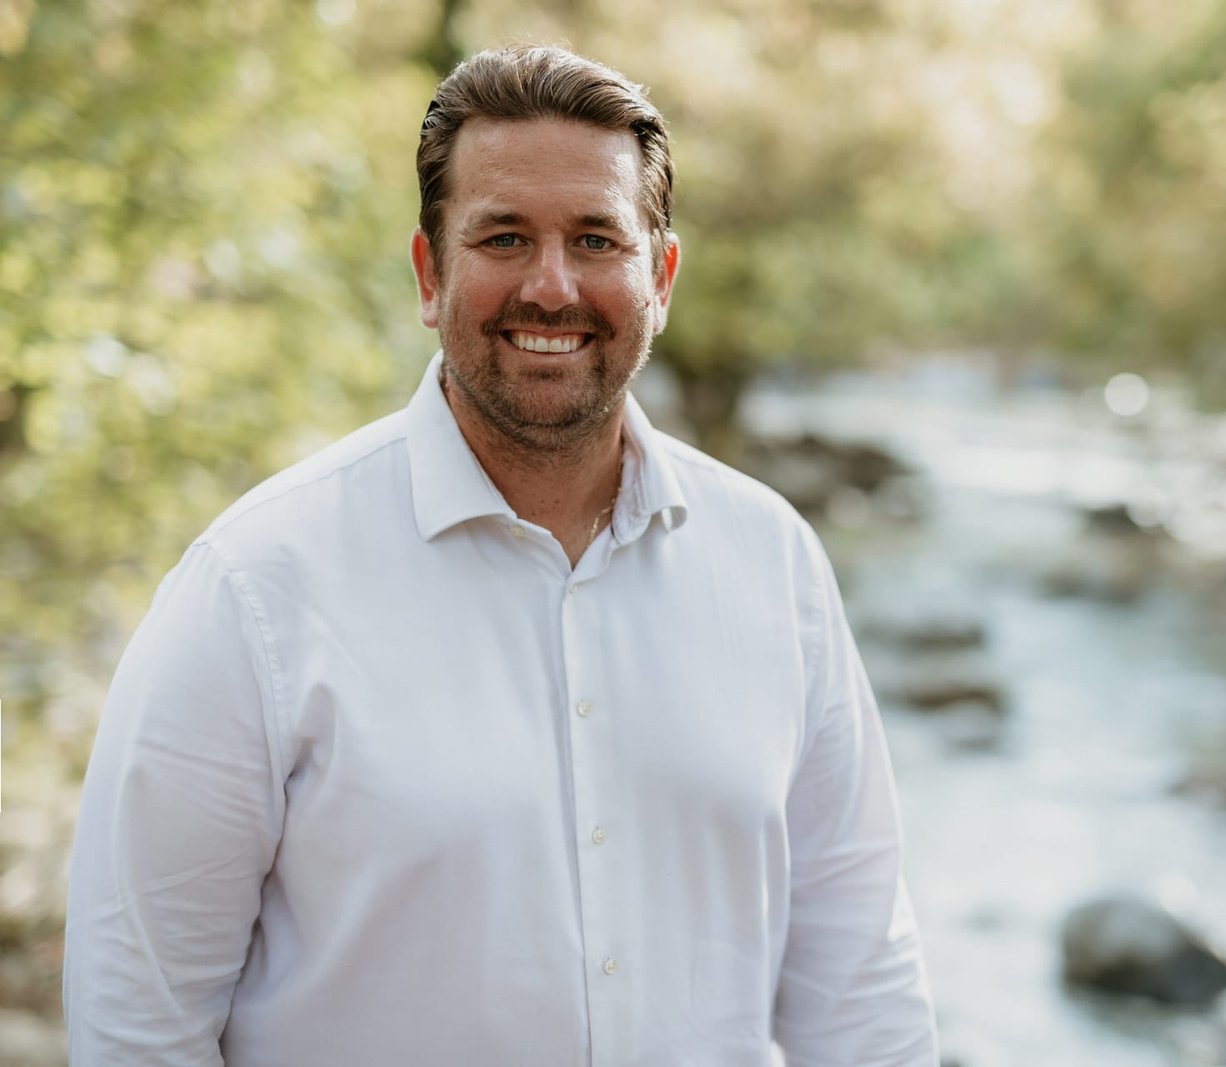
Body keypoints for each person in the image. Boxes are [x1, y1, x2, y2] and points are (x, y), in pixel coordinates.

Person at [63, 44, 937, 1066]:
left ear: (659, 277)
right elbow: (138, 1013)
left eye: (596, 238)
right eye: (505, 236)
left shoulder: (772, 561)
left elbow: (859, 984)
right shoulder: (256, 586)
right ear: (431, 274)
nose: (552, 286)